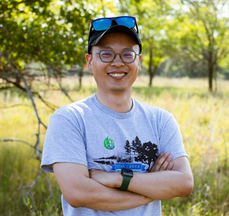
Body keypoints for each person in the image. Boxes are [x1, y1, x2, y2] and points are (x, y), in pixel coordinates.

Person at [40, 16, 193, 215]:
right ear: (89, 61)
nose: (117, 62)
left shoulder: (161, 121)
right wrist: (151, 190)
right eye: (106, 54)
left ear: (138, 62)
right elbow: (78, 193)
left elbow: (183, 183)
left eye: (127, 54)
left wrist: (119, 179)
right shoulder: (70, 119)